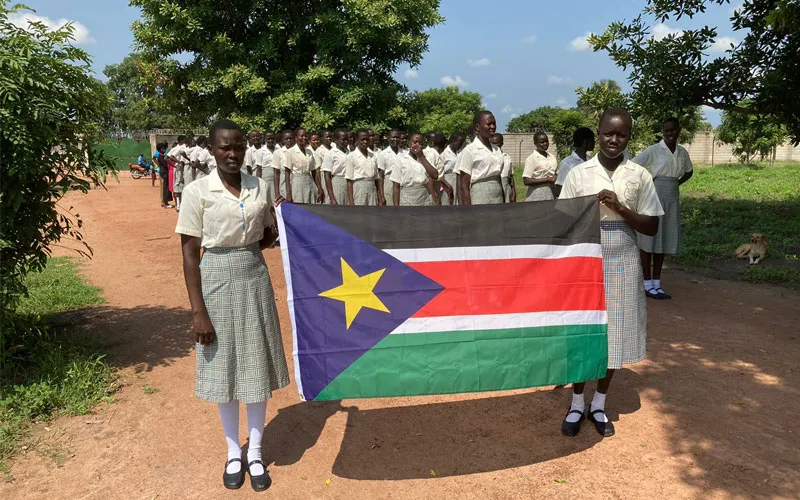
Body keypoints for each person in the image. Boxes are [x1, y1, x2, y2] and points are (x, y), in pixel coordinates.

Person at [176, 119, 288, 492]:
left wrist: (281, 220)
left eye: (238, 146)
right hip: (217, 279)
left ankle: (255, 453)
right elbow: (191, 254)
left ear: (245, 147)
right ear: (212, 149)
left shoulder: (259, 185)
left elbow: (265, 236)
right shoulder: (196, 192)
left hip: (254, 275)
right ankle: (232, 453)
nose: (232, 153)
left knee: (254, 367)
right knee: (225, 371)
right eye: (225, 146)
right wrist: (198, 311)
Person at [558, 108, 664, 438]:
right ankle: (577, 403)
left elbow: (651, 223)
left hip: (623, 255)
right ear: (599, 133)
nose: (613, 140)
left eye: (621, 135)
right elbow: (562, 217)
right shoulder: (579, 173)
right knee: (584, 331)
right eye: (608, 133)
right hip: (588, 254)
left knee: (616, 331)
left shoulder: (639, 175)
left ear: (629, 136)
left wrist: (620, 207)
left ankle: (599, 403)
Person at [634, 117, 694, 299]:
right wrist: (649, 183)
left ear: (679, 130)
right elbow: (635, 165)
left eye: (673, 130)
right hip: (655, 194)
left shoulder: (682, 152)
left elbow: (689, 171)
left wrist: (675, 184)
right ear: (662, 131)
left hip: (672, 195)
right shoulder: (654, 150)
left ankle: (657, 284)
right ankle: (646, 284)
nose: (670, 133)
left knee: (664, 238)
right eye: (667, 130)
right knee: (649, 239)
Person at [457, 111, 504, 205]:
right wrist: (468, 211)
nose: (492, 127)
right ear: (478, 127)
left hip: (498, 193)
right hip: (480, 195)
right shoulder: (470, 151)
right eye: (488, 124)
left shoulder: (497, 149)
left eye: (494, 123)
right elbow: (464, 186)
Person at [391, 133, 440, 207]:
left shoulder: (426, 158)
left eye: (420, 143)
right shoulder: (400, 159)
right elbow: (396, 186)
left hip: (424, 196)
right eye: (415, 142)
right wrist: (396, 208)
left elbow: (435, 175)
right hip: (407, 197)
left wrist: (421, 156)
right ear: (409, 143)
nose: (417, 145)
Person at [284, 128, 324, 204]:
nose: (304, 138)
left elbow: (314, 172)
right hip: (297, 183)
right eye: (301, 136)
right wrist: (288, 193)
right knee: (299, 208)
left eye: (306, 136)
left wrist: (319, 188)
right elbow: (287, 174)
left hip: (309, 182)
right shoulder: (290, 152)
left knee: (310, 206)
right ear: (296, 138)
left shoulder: (309, 152)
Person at [346, 129, 384, 206]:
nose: (365, 142)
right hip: (359, 187)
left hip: (372, 187)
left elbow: (377, 179)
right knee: (359, 214)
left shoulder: (373, 155)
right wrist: (351, 201)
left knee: (372, 213)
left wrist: (380, 197)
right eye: (362, 140)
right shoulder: (351, 156)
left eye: (367, 139)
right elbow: (349, 181)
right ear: (357, 140)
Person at [555, 127, 595, 198]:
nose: (594, 142)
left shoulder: (590, 161)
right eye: (592, 140)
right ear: (585, 142)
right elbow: (558, 189)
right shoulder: (567, 163)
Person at [522, 131, 558, 201]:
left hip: (551, 192)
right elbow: (526, 181)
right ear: (535, 143)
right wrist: (547, 180)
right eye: (542, 142)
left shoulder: (552, 157)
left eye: (546, 141)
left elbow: (555, 174)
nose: (545, 144)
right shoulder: (532, 158)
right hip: (536, 194)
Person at [322, 129, 349, 205]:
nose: (345, 142)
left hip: (349, 183)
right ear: (336, 140)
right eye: (343, 140)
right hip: (337, 183)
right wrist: (332, 198)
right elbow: (327, 176)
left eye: (347, 139)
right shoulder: (331, 154)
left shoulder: (349, 152)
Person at [377, 130, 403, 204]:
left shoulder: (404, 153)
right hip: (389, 182)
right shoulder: (382, 154)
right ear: (388, 138)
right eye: (393, 137)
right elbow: (381, 177)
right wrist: (381, 196)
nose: (395, 139)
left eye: (397, 137)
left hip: (402, 180)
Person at [427, 133, 454, 204]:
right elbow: (429, 177)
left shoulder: (436, 154)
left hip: (437, 185)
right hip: (432, 188)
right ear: (445, 146)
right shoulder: (432, 155)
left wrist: (447, 185)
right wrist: (434, 197)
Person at [168, 136, 192, 212]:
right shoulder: (180, 148)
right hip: (180, 168)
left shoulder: (189, 148)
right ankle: (178, 205)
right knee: (178, 187)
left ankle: (182, 204)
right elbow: (170, 157)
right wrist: (178, 163)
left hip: (186, 167)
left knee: (183, 187)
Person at [492, 133, 516, 203]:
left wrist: (514, 192)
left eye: (496, 143)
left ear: (502, 143)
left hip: (506, 187)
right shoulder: (489, 157)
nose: (494, 146)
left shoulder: (507, 157)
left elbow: (511, 176)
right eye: (492, 143)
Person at [441, 133, 464, 205]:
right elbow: (440, 173)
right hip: (447, 180)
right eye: (460, 143)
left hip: (458, 179)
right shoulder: (444, 154)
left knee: (457, 202)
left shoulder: (459, 153)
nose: (461, 146)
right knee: (448, 202)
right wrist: (448, 185)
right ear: (454, 141)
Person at [256, 131, 278, 204]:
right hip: (266, 177)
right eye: (268, 139)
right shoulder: (260, 151)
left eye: (272, 138)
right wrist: (258, 183)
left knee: (277, 197)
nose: (270, 140)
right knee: (268, 198)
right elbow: (259, 169)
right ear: (264, 139)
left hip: (278, 176)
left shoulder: (278, 150)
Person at [156, 143, 173, 208]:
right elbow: (165, 165)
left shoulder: (162, 156)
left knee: (166, 187)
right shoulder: (161, 157)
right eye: (163, 149)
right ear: (160, 149)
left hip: (165, 172)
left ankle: (166, 202)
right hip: (164, 173)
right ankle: (164, 203)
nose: (164, 150)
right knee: (165, 188)